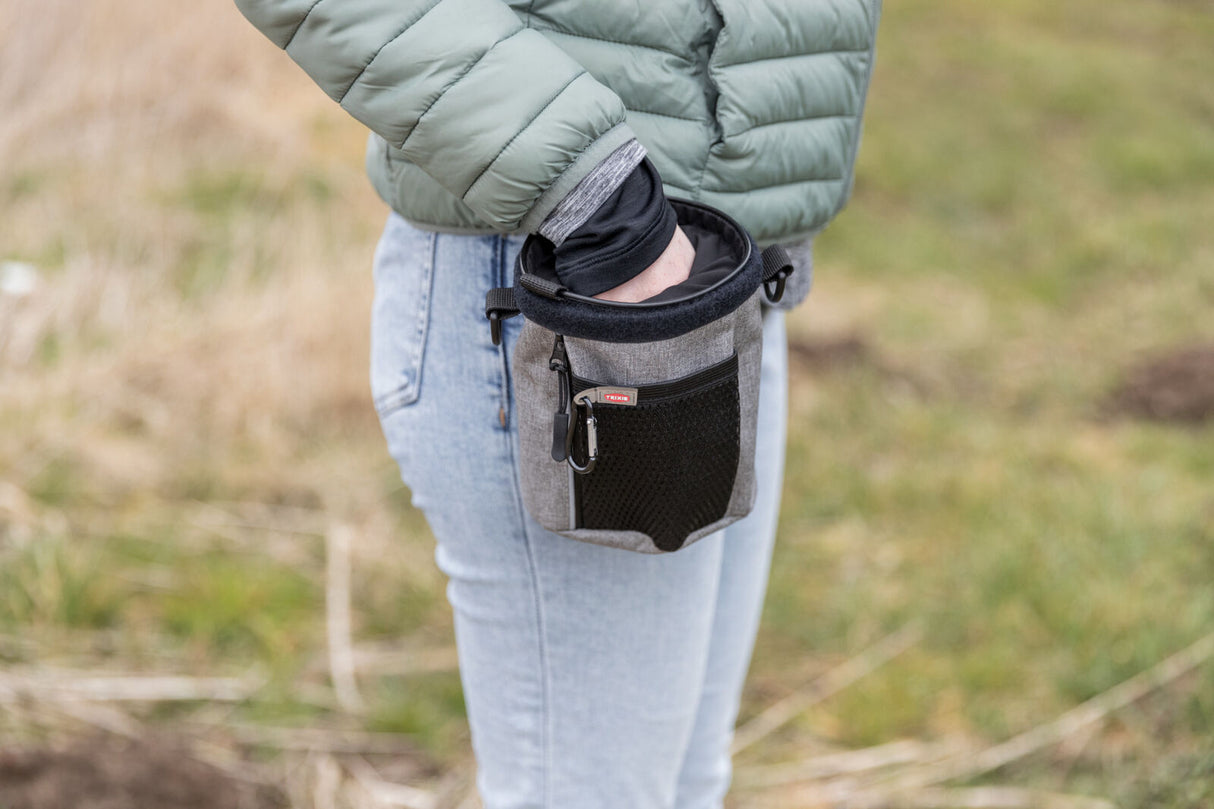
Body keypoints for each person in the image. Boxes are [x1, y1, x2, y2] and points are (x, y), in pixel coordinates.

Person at [234, 1, 882, 806]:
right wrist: (601, 204)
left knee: (677, 786)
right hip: (583, 281)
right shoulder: (603, 230)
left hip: (713, 281)